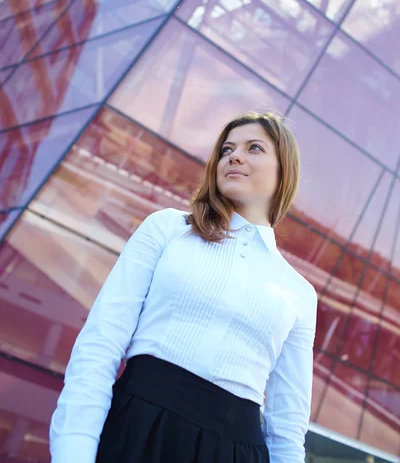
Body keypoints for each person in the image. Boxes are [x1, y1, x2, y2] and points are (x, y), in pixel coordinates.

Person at [49, 111, 318, 463]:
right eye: (226, 149)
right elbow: (101, 343)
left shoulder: (298, 292)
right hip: (139, 428)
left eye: (254, 148)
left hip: (234, 451)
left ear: (285, 171)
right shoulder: (166, 229)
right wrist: (74, 452)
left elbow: (287, 424)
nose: (234, 156)